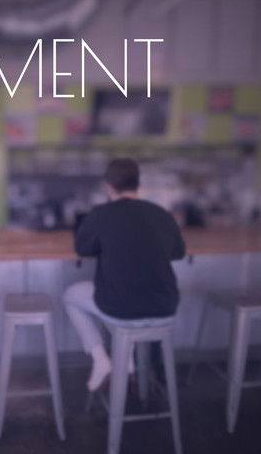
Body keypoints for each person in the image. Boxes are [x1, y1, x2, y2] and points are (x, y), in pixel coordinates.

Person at [63, 158, 186, 391]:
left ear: (108, 186)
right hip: (165, 308)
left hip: (122, 310)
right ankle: (126, 358)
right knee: (120, 293)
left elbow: (82, 249)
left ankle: (101, 358)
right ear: (137, 184)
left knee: (71, 295)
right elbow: (178, 252)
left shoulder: (100, 214)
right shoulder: (162, 214)